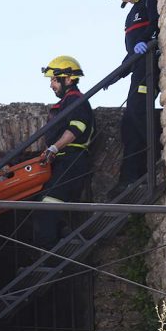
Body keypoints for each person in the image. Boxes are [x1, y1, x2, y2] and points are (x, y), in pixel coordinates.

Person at [104, 0, 160, 198]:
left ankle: (158, 154)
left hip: (150, 65)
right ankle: (130, 175)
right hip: (137, 67)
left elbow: (159, 28)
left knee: (138, 110)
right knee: (128, 121)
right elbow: (131, 53)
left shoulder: (152, 1)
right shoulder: (132, 12)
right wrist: (117, 75)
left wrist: (148, 42)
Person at [34, 56, 95, 251]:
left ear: (67, 79)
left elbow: (77, 127)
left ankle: (49, 250)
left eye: (54, 80)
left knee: (48, 205)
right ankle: (61, 236)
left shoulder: (75, 100)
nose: (51, 85)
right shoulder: (69, 100)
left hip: (72, 159)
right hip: (66, 160)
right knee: (45, 201)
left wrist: (54, 147)